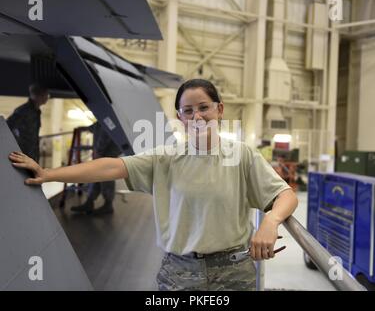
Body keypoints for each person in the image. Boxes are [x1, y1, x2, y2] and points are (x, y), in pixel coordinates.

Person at [9, 79, 298, 291]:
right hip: (179, 272)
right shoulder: (166, 158)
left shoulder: (243, 156)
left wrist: (270, 221)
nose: (197, 116)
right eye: (188, 111)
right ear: (180, 118)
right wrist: (49, 173)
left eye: (204, 108)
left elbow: (285, 194)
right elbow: (111, 165)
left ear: (219, 110)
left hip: (234, 272)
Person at [71, 121, 122, 215]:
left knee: (106, 177)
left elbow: (106, 131)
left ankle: (108, 205)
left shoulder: (106, 112)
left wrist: (98, 150)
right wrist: (87, 128)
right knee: (97, 175)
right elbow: (99, 125)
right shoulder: (104, 113)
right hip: (105, 150)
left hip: (107, 151)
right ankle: (90, 202)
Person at [7, 83, 49, 162]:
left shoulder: (37, 112)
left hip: (32, 154)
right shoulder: (22, 111)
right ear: (36, 96)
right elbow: (7, 126)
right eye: (44, 95)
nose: (46, 98)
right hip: (22, 154)